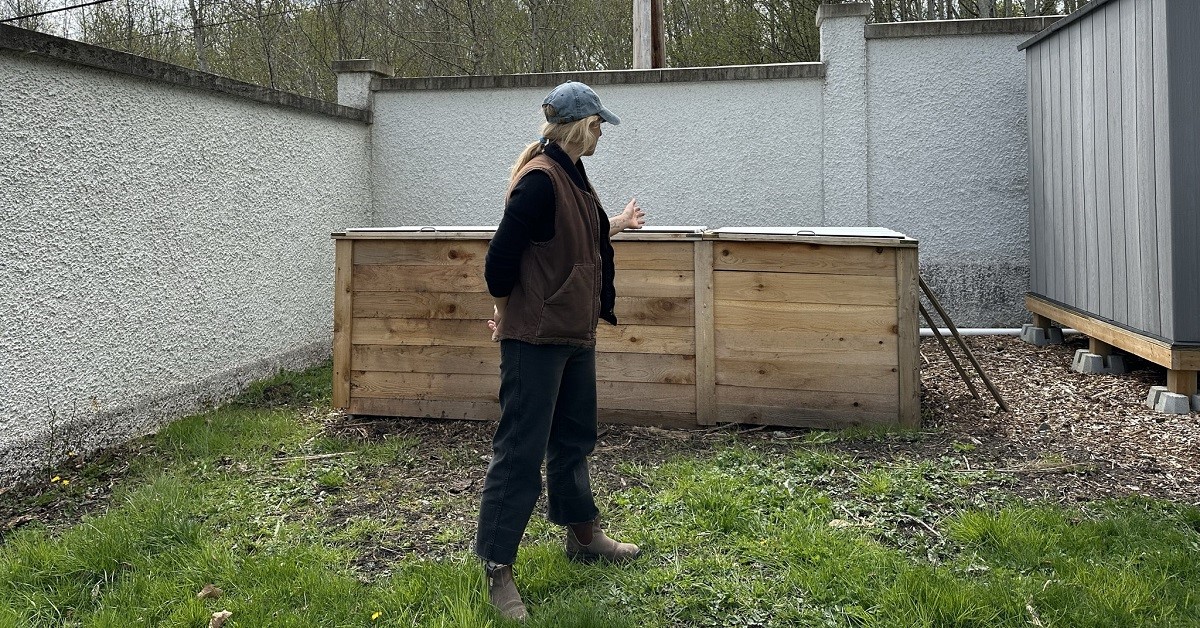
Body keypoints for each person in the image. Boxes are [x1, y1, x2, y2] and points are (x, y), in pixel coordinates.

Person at [476, 80, 646, 620]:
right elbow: (498, 262)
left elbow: (581, 233)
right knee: (521, 452)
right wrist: (506, 312)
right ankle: (497, 568)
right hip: (534, 340)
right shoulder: (540, 181)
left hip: (574, 334)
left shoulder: (572, 173)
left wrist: (617, 223)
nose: (602, 135)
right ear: (581, 127)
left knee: (573, 438)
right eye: (598, 126)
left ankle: (581, 536)